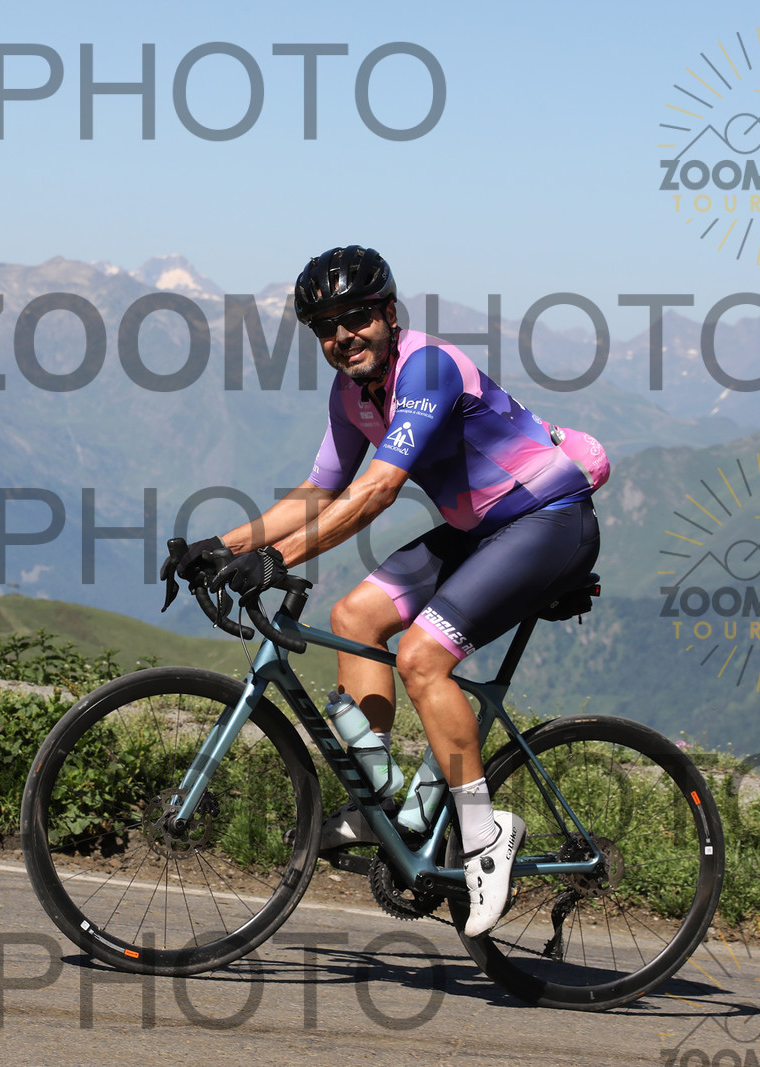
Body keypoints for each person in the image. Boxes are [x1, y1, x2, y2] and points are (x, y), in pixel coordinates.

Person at [162, 245, 606, 937]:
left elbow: (378, 490)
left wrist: (276, 560)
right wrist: (225, 546)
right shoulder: (351, 395)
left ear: (389, 314)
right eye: (326, 327)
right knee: (354, 615)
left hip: (548, 520)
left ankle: (485, 834)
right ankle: (381, 805)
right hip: (480, 531)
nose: (342, 336)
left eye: (356, 318)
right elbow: (320, 491)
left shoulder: (426, 369)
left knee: (423, 657)